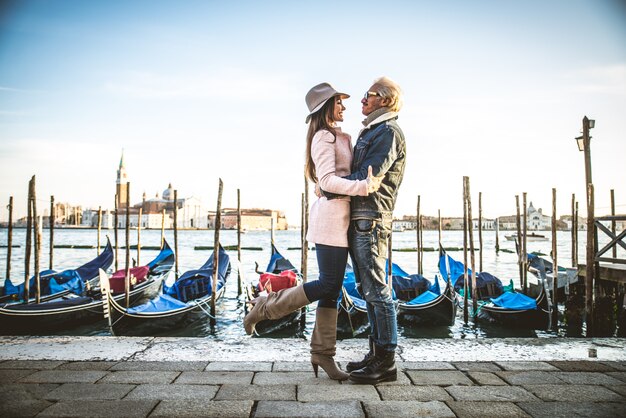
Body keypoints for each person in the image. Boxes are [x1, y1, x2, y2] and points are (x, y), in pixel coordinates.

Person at [243, 82, 382, 381]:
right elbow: (328, 180)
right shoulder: (323, 136)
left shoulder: (339, 136)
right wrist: (362, 186)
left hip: (342, 218)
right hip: (330, 219)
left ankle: (323, 353)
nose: (344, 106)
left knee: (331, 288)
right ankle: (264, 307)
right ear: (326, 107)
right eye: (339, 102)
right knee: (328, 283)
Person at [322, 76, 406, 384]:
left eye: (367, 96)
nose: (361, 101)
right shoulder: (373, 130)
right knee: (367, 287)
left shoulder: (388, 132)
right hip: (361, 216)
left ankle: (386, 361)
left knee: (376, 289)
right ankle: (376, 354)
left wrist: (329, 187)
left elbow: (367, 175)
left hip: (370, 217)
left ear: (384, 100)